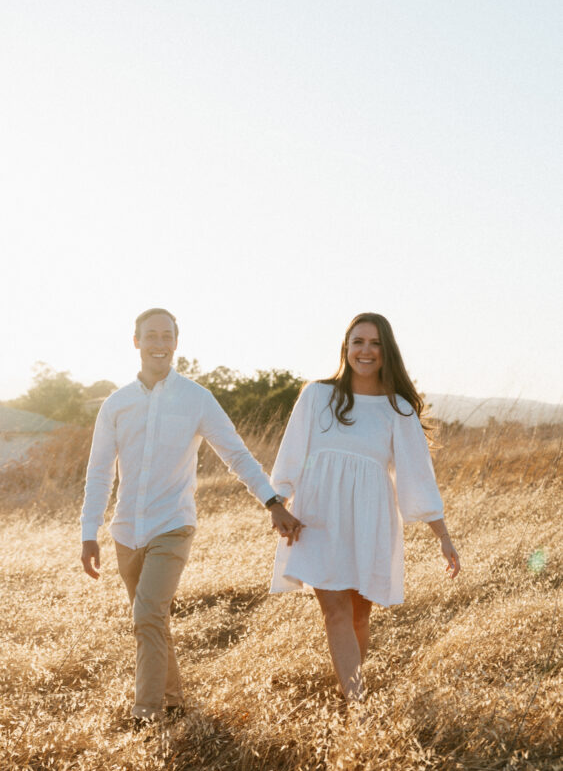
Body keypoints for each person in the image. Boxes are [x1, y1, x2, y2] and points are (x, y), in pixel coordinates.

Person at [80, 307, 302, 725]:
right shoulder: (116, 404)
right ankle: (175, 701)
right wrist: (88, 531)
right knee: (153, 619)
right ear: (136, 342)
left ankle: (146, 715)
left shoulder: (197, 398)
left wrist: (272, 502)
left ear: (176, 343)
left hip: (173, 525)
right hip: (126, 531)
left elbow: (235, 454)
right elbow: (98, 472)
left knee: (145, 615)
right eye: (151, 336)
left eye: (167, 336)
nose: (159, 343)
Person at [269, 312, 460, 706]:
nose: (366, 350)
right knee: (335, 613)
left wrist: (443, 536)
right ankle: (357, 704)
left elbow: (417, 476)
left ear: (386, 351)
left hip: (370, 522)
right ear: (346, 347)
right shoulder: (317, 396)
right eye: (358, 342)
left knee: (359, 617)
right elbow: (290, 454)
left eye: (374, 343)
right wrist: (278, 504)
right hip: (317, 517)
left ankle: (348, 692)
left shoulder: (398, 409)